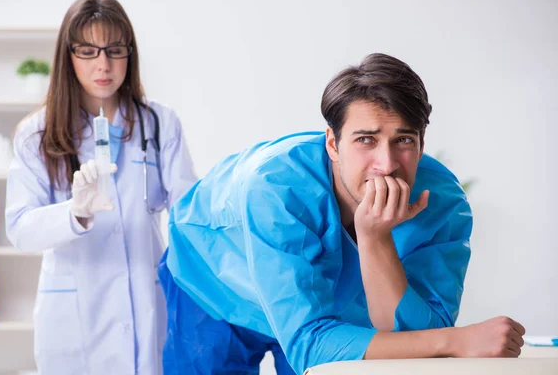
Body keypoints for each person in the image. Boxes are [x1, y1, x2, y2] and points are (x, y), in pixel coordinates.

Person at [158, 53, 525, 374]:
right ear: (333, 144)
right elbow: (309, 346)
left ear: (421, 144)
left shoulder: (442, 202)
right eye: (366, 139)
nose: (386, 164)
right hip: (213, 284)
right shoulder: (275, 190)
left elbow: (416, 343)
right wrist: (455, 341)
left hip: (323, 312)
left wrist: (374, 238)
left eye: (404, 140)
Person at [5, 0, 196, 375]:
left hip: (148, 305)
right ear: (68, 55)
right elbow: (20, 229)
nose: (104, 65)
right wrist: (73, 213)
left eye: (114, 50)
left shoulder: (159, 123)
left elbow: (190, 211)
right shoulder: (36, 134)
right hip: (74, 317)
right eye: (88, 51)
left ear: (130, 52)